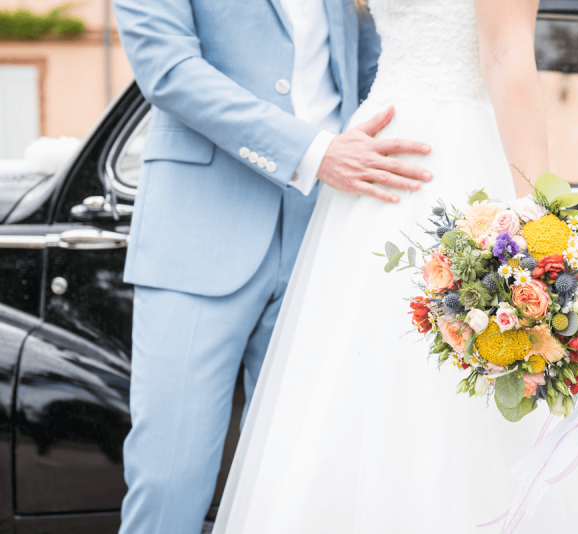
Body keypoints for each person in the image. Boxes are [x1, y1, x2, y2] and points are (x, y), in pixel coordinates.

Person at [212, 0, 578, 533]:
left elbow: (506, 53)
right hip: (376, 163)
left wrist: (533, 215)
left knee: (468, 356)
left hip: (460, 153)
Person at [111, 0, 435, 531]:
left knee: (301, 484)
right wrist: (312, 152)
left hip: (334, 231)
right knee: (170, 479)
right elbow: (169, 71)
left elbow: (380, 70)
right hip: (200, 231)